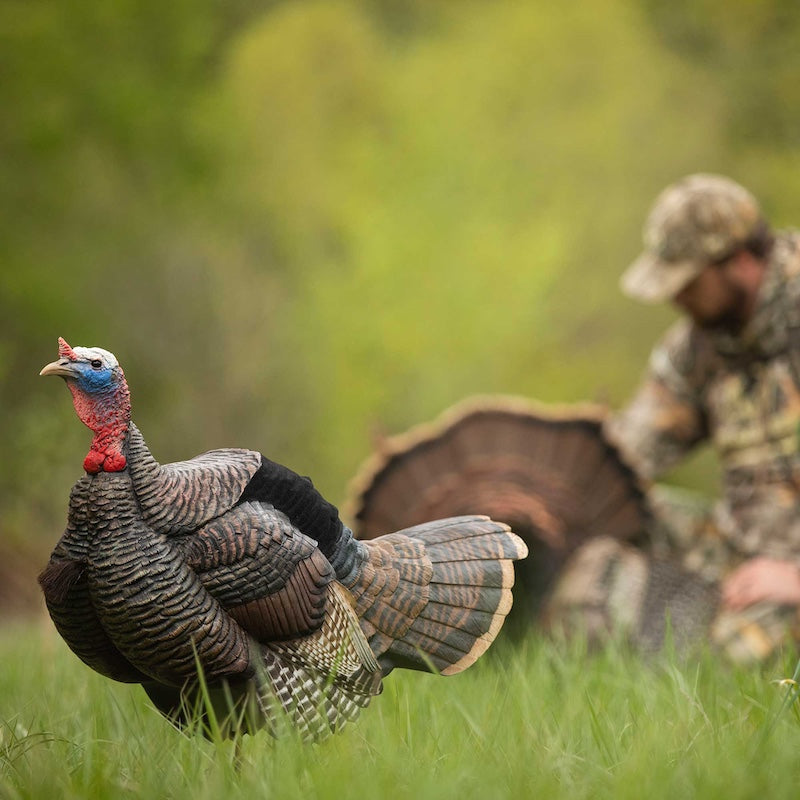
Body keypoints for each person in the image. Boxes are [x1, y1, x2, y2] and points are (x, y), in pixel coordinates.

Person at [549, 174, 800, 661]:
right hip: (747, 545)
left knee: (735, 661)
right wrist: (541, 507)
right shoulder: (702, 346)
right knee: (606, 533)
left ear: (738, 259)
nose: (674, 296)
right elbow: (629, 452)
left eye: (687, 281)